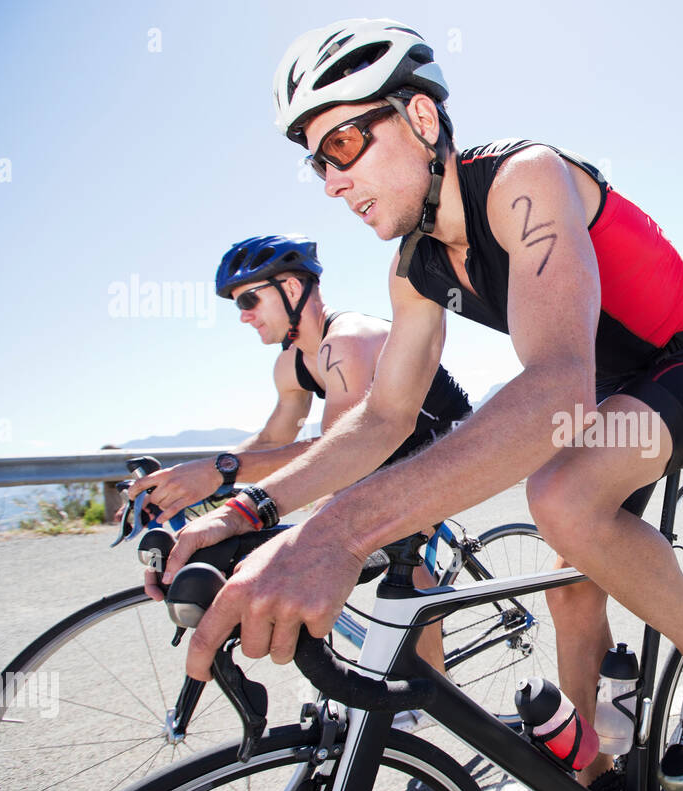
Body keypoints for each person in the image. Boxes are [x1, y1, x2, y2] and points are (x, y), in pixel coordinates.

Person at [164, 19, 683, 791]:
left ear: (421, 118)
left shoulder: (523, 179)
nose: (332, 180)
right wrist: (249, 509)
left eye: (343, 144)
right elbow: (383, 419)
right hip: (614, 396)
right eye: (318, 162)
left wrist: (336, 534)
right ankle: (592, 787)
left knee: (561, 496)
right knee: (571, 589)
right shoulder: (413, 271)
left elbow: (556, 386)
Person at [129, 234, 472, 671]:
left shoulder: (346, 342)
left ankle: (424, 690)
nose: (244, 316)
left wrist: (220, 473)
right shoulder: (291, 362)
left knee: (380, 538)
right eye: (238, 304)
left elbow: (338, 448)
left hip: (442, 441)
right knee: (327, 527)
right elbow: (274, 440)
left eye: (249, 299)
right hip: (378, 451)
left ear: (291, 289)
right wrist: (194, 483)